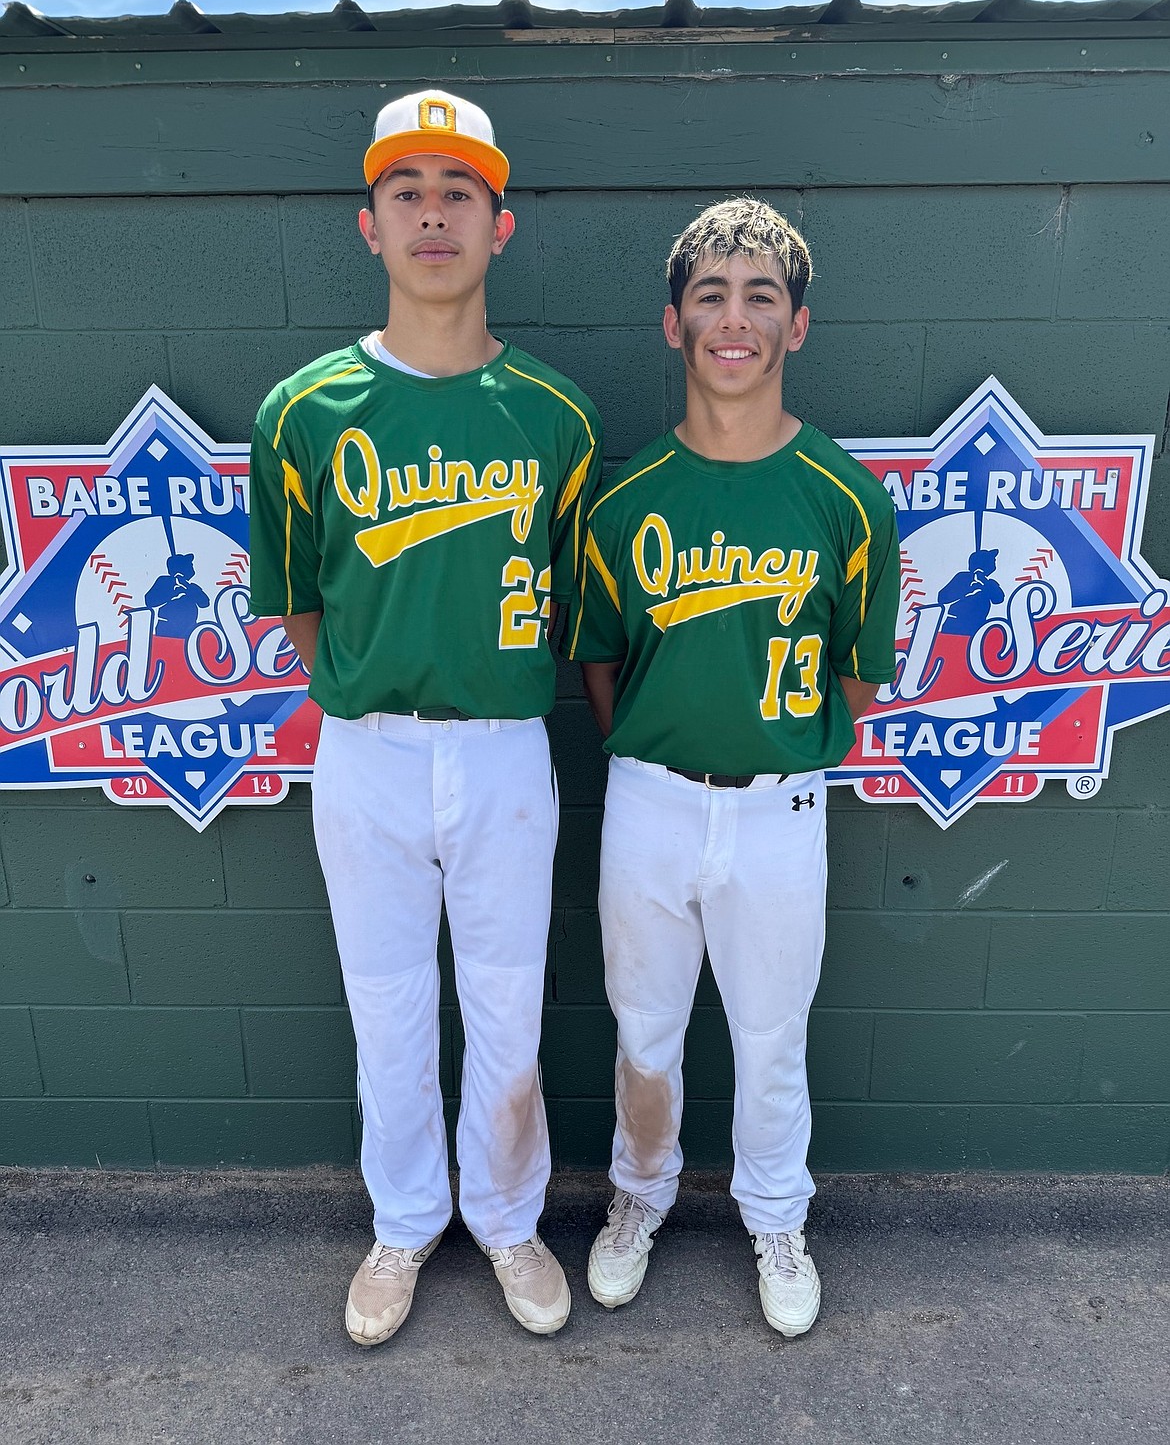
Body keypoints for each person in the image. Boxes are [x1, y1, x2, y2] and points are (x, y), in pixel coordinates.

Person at [248, 89, 602, 1345]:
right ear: (369, 224)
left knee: (509, 1004)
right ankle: (403, 1224)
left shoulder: (557, 417)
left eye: (461, 193)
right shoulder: (303, 410)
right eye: (410, 192)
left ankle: (507, 1220)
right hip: (368, 749)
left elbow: (565, 606)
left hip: (507, 746)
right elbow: (298, 611)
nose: (435, 213)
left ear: (500, 227)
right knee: (386, 1004)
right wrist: (375, 683)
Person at [566, 198, 899, 1337]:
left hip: (780, 807)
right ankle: (638, 1195)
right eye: (710, 294)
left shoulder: (848, 497)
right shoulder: (623, 497)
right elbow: (603, 661)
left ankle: (775, 1214)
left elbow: (857, 675)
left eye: (761, 295)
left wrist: (765, 753)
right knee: (644, 1030)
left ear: (797, 324)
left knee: (772, 1036)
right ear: (674, 324)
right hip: (651, 800)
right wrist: (675, 743)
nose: (734, 318)